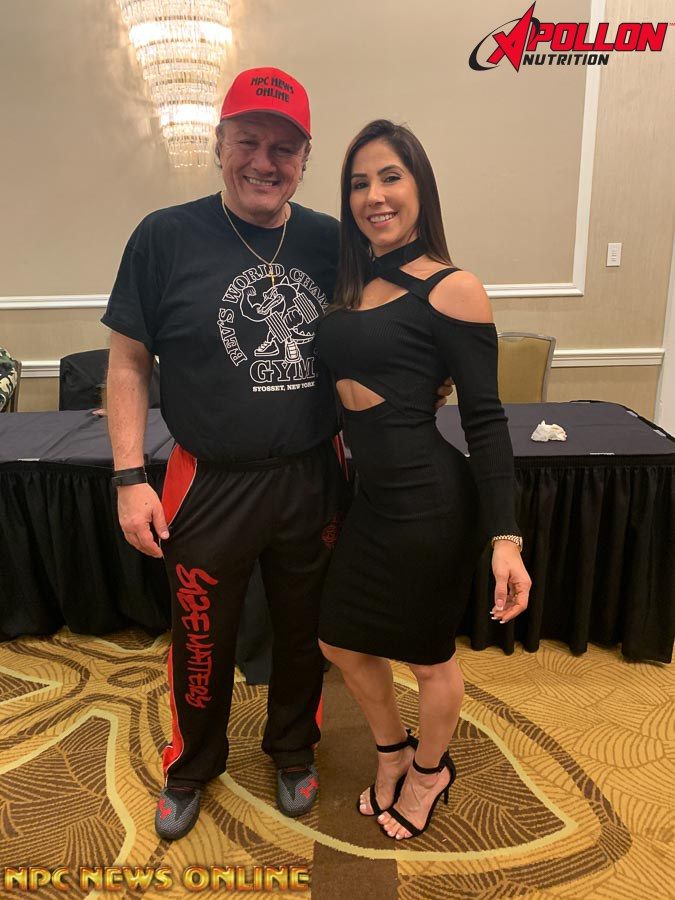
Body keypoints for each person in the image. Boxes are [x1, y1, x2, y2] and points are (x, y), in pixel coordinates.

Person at [103, 70, 453, 842]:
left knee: (306, 632)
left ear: (304, 158)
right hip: (207, 480)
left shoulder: (335, 241)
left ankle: (293, 749)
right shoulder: (163, 236)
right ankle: (192, 764)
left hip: (312, 473)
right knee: (201, 635)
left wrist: (438, 367)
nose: (264, 162)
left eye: (284, 149)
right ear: (218, 144)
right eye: (248, 142)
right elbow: (127, 360)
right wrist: (129, 475)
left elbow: (398, 314)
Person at [316, 120, 532, 840]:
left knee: (428, 659)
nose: (373, 196)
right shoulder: (354, 282)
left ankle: (431, 770)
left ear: (420, 188)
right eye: (359, 183)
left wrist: (506, 538)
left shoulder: (454, 288)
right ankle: (393, 750)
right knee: (339, 641)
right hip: (373, 500)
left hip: (430, 505)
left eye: (390, 177)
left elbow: (486, 421)